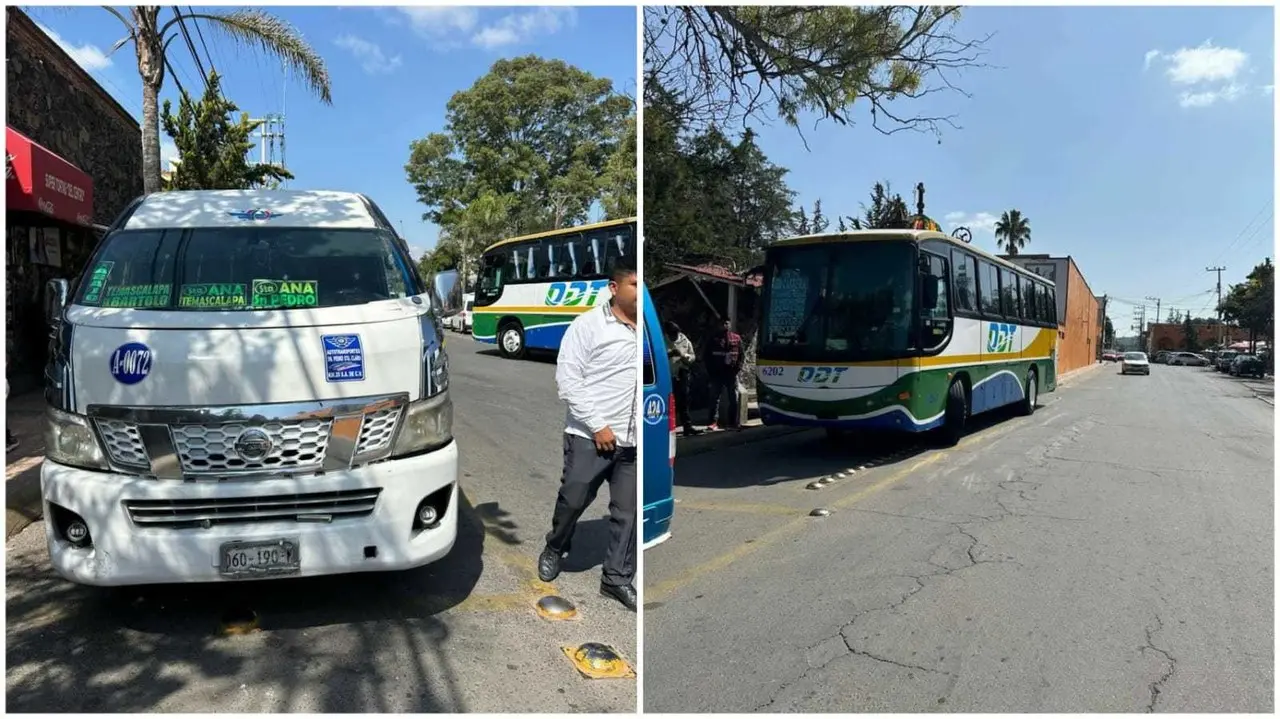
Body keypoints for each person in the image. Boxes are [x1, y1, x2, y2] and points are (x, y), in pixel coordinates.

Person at [537, 260, 639, 611]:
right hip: (590, 436)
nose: (640, 294)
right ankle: (556, 545)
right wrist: (598, 425)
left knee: (627, 513)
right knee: (574, 499)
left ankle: (616, 579)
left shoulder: (649, 333)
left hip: (634, 442)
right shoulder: (588, 326)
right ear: (614, 288)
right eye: (634, 285)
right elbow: (568, 380)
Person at [703, 318, 743, 431]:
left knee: (733, 399)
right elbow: (707, 356)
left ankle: (732, 422)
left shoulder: (736, 338)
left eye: (727, 323)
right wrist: (711, 371)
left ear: (730, 324)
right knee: (714, 398)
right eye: (722, 323)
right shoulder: (713, 339)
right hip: (717, 373)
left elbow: (741, 355)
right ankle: (712, 422)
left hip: (731, 373)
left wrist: (737, 369)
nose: (725, 325)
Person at [664, 321, 699, 436]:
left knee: (683, 401)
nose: (673, 337)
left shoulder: (684, 340)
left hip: (682, 373)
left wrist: (685, 357)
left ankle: (687, 426)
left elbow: (692, 356)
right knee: (668, 402)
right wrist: (669, 354)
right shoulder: (662, 340)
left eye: (675, 335)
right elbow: (657, 355)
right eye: (671, 335)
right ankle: (668, 427)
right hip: (668, 375)